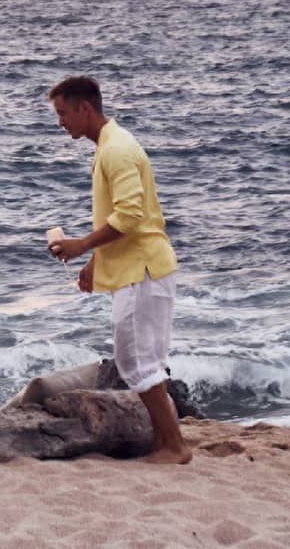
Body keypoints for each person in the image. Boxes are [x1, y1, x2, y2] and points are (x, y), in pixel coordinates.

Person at [46, 76, 191, 464]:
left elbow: (130, 214)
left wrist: (82, 245)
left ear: (85, 109)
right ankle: (166, 443)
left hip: (142, 270)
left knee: (138, 361)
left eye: (63, 113)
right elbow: (122, 216)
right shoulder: (110, 145)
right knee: (138, 360)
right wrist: (96, 261)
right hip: (136, 268)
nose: (60, 122)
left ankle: (175, 446)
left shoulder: (117, 150)